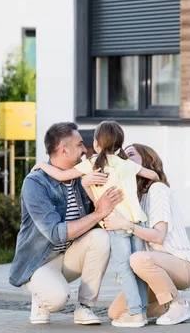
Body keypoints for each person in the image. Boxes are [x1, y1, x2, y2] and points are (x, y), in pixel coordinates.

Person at [34, 121, 159, 328]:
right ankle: (142, 311)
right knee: (138, 268)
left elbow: (62, 175)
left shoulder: (93, 164)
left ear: (98, 144)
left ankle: (135, 313)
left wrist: (41, 166)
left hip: (116, 223)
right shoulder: (126, 164)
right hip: (138, 220)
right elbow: (153, 175)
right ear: (119, 144)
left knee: (125, 268)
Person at [8, 122, 123, 326]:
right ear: (65, 149)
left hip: (68, 256)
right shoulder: (36, 183)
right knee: (57, 299)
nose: (84, 150)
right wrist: (99, 213)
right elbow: (55, 233)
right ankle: (41, 294)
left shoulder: (81, 179)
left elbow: (99, 221)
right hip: (39, 262)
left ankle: (84, 308)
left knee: (100, 238)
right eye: (80, 144)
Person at [104, 144, 190, 326]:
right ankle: (164, 305)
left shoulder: (157, 189)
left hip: (181, 264)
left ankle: (178, 304)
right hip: (151, 269)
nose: (125, 158)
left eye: (131, 154)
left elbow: (158, 236)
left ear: (147, 160)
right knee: (115, 312)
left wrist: (127, 225)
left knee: (138, 259)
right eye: (124, 155)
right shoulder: (135, 199)